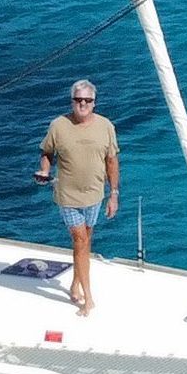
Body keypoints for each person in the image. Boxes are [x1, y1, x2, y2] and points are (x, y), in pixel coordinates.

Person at [32, 79, 119, 315]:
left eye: (87, 100)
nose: (83, 104)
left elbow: (112, 161)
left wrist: (113, 194)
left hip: (95, 194)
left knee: (85, 242)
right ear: (72, 101)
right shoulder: (58, 125)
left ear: (94, 103)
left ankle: (74, 285)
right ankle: (88, 299)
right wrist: (45, 171)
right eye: (78, 100)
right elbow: (47, 152)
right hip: (68, 196)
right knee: (80, 241)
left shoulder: (106, 126)